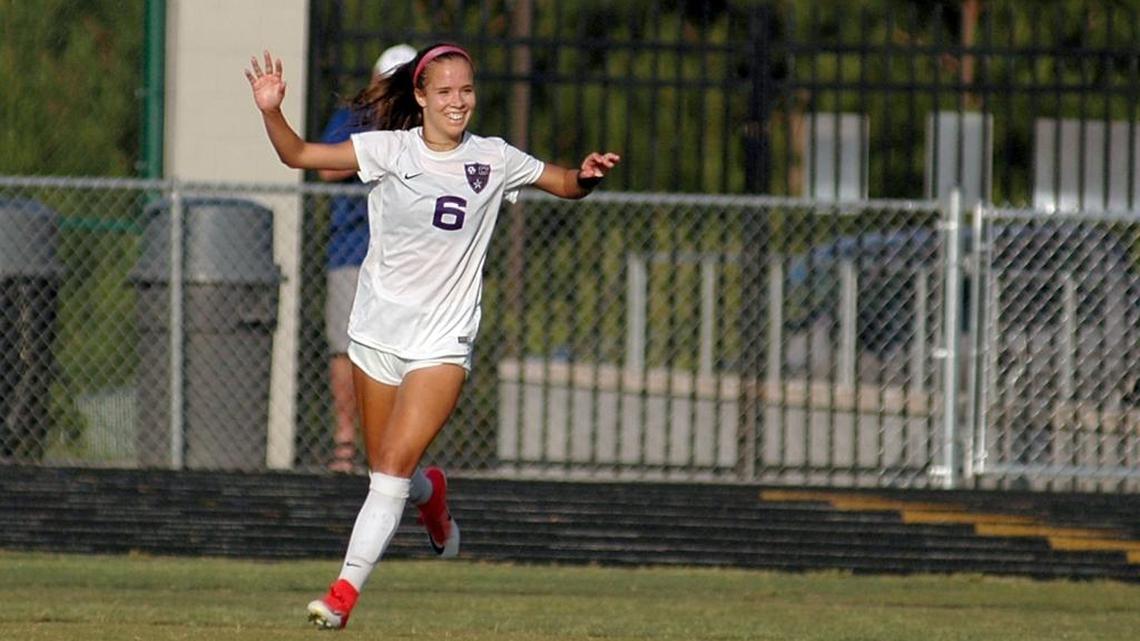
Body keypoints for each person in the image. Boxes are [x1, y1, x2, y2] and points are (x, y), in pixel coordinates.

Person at [244, 44, 620, 630]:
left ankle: (343, 592)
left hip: (443, 342)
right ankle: (432, 497)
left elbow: (564, 183)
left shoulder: (493, 158)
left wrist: (587, 176)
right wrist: (271, 110)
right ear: (420, 96)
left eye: (465, 90)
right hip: (376, 333)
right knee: (390, 472)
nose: (457, 102)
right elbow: (299, 155)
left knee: (389, 470)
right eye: (444, 91)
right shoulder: (389, 149)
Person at [318, 43, 417, 473]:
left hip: (405, 257)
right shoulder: (355, 120)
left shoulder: (424, 127)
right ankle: (346, 442)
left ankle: (394, 443)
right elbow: (326, 166)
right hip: (352, 250)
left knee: (405, 351)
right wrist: (379, 147)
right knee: (345, 348)